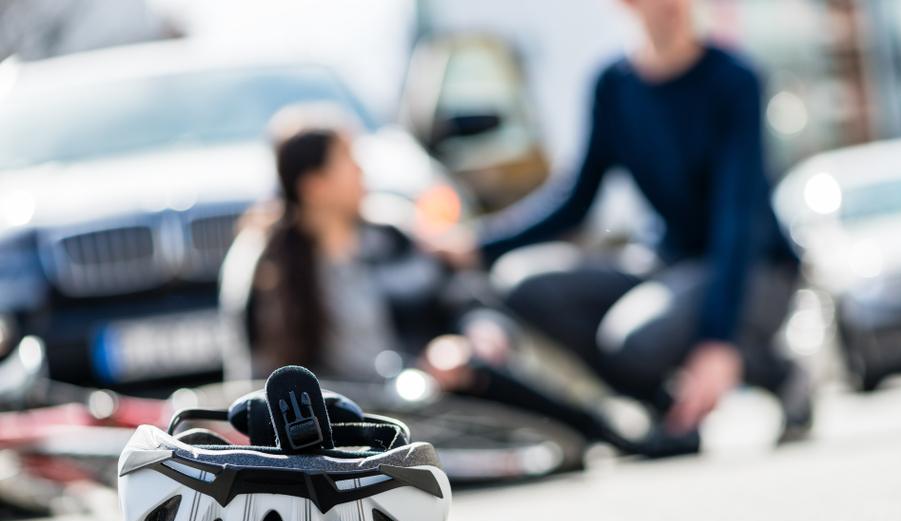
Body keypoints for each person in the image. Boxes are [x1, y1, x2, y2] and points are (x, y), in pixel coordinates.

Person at [427, 0, 810, 440]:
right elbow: (576, 201)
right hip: (666, 262)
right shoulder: (614, 86)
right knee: (523, 284)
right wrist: (477, 244)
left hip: (755, 269)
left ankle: (777, 372)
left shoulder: (734, 79)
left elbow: (736, 219)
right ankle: (662, 410)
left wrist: (717, 342)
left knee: (638, 339)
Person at [218, 106, 667, 457]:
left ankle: (606, 428)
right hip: (334, 419)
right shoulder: (263, 266)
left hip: (424, 392)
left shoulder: (391, 235)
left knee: (482, 370)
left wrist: (474, 333)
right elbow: (257, 380)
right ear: (315, 184)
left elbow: (464, 298)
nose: (362, 172)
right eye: (349, 161)